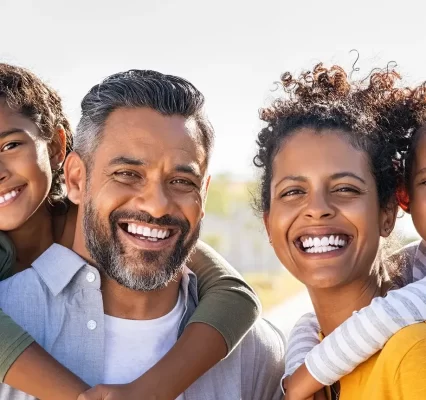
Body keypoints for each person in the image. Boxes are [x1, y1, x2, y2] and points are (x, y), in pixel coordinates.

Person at [0, 69, 285, 400]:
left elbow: (233, 292)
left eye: (181, 181)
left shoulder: (255, 355)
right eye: (127, 174)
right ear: (78, 180)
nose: (156, 206)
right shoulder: (15, 307)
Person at [253, 63, 426, 399]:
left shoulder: (412, 352)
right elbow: (311, 322)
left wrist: (306, 373)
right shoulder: (303, 353)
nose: (317, 208)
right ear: (268, 224)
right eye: (292, 191)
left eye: (346, 188)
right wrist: (299, 364)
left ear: (388, 211)